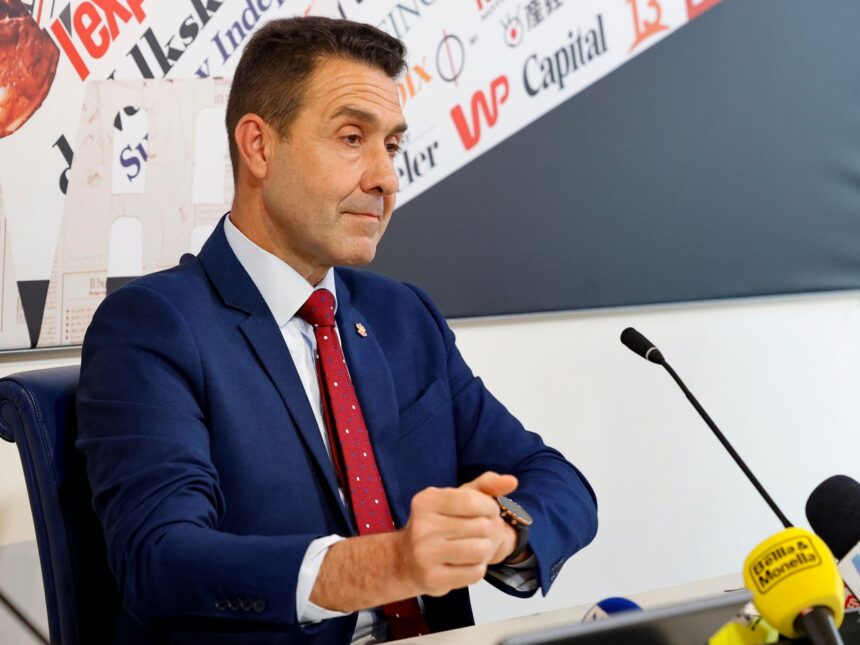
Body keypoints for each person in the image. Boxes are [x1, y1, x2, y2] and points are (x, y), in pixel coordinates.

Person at [76, 16, 597, 644]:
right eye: (352, 138)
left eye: (392, 146)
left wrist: (500, 531)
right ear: (259, 147)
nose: (386, 178)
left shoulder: (403, 316)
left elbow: (552, 478)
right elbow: (161, 560)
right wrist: (388, 564)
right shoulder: (153, 326)